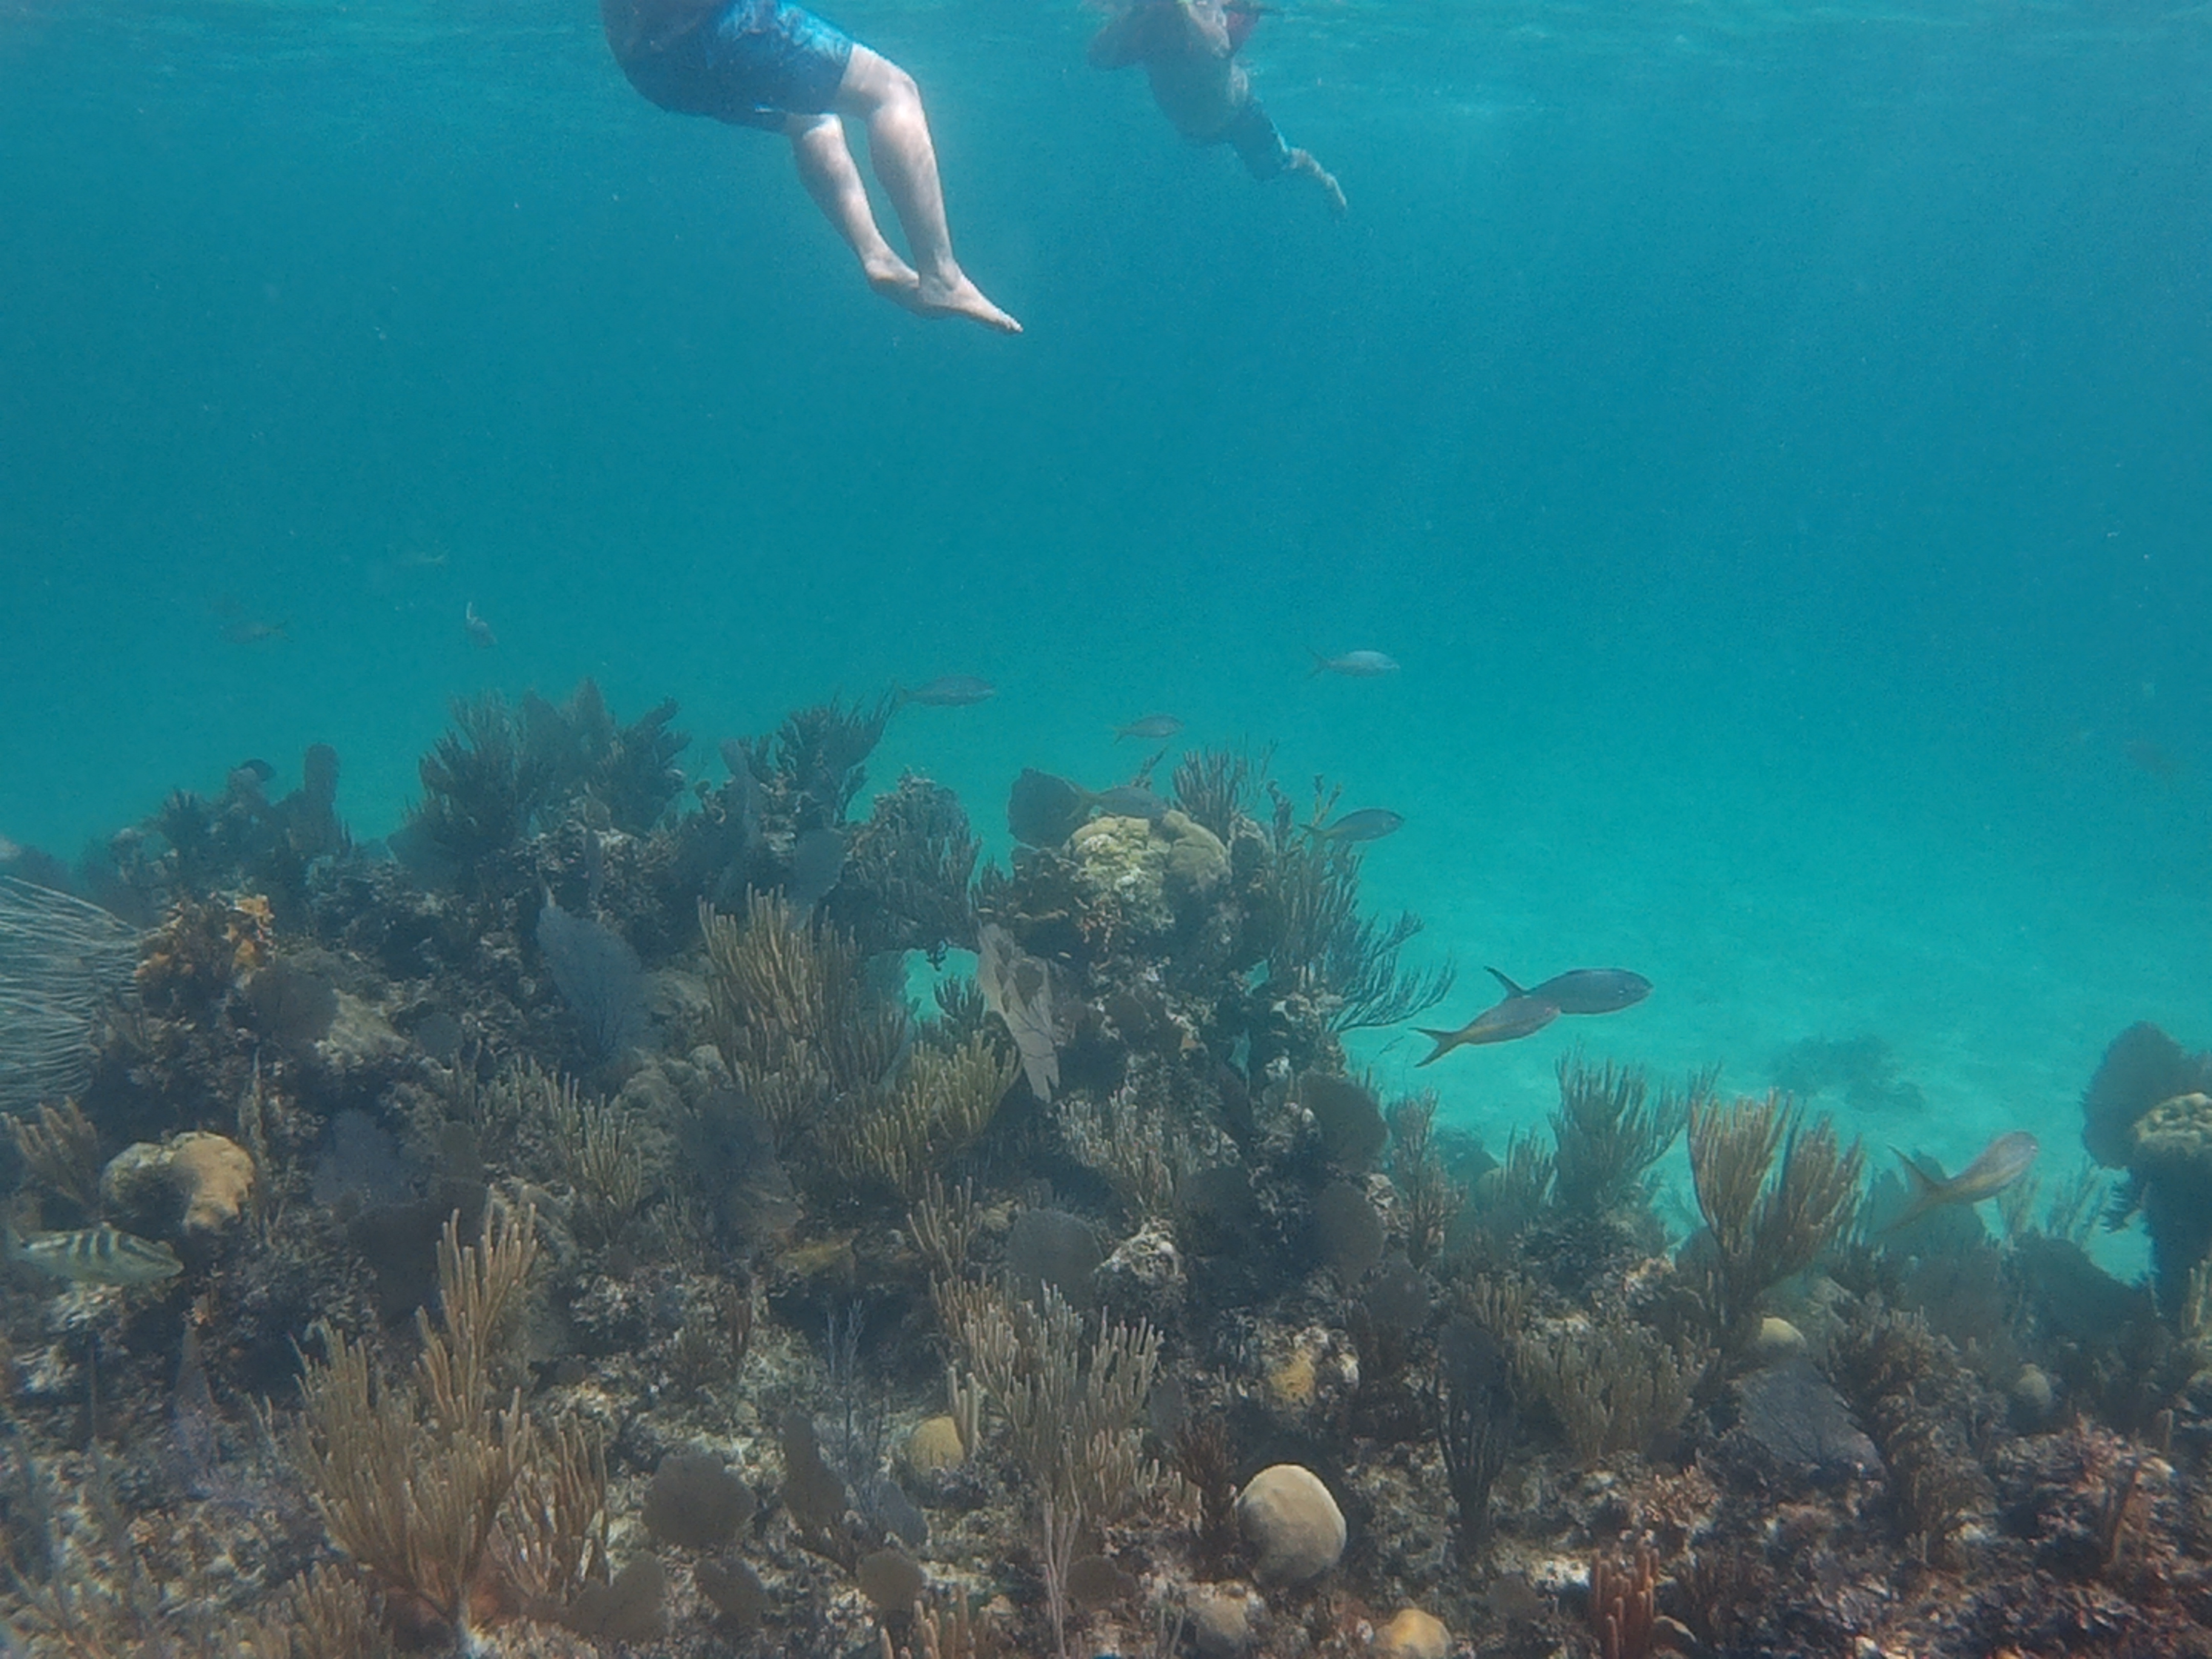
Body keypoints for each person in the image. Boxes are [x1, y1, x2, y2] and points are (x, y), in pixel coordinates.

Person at [603, 0, 1020, 332]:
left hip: (649, 69)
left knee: (811, 117)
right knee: (892, 92)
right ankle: (941, 276)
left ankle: (877, 257)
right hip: (725, 28)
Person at [1087, 0, 1345, 216]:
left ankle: (1326, 182)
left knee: (1278, 166)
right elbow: (1097, 58)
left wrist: (1184, 8)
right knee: (1198, 187)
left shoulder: (1206, 14)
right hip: (1194, 133)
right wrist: (1137, 13)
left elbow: (1218, 48)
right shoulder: (1147, 26)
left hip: (1240, 116)